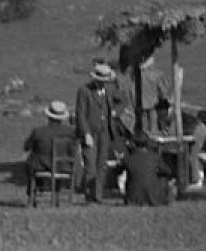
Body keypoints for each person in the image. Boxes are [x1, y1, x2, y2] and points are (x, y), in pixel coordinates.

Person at [75, 62, 129, 202]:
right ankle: (89, 194)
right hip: (91, 133)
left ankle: (98, 195)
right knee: (90, 165)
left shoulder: (110, 89)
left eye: (106, 81)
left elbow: (123, 100)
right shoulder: (84, 91)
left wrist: (116, 112)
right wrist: (86, 133)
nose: (103, 83)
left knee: (101, 165)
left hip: (105, 132)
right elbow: (80, 114)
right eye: (101, 81)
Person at [120, 132, 173, 206]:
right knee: (164, 178)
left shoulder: (128, 158)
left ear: (134, 144)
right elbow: (167, 171)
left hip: (132, 198)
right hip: (153, 198)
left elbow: (120, 170)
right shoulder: (154, 157)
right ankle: (161, 197)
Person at [24, 100, 76, 174]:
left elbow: (26, 147)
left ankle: (38, 183)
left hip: (41, 166)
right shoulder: (71, 131)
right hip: (64, 166)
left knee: (31, 160)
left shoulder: (39, 131)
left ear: (49, 116)